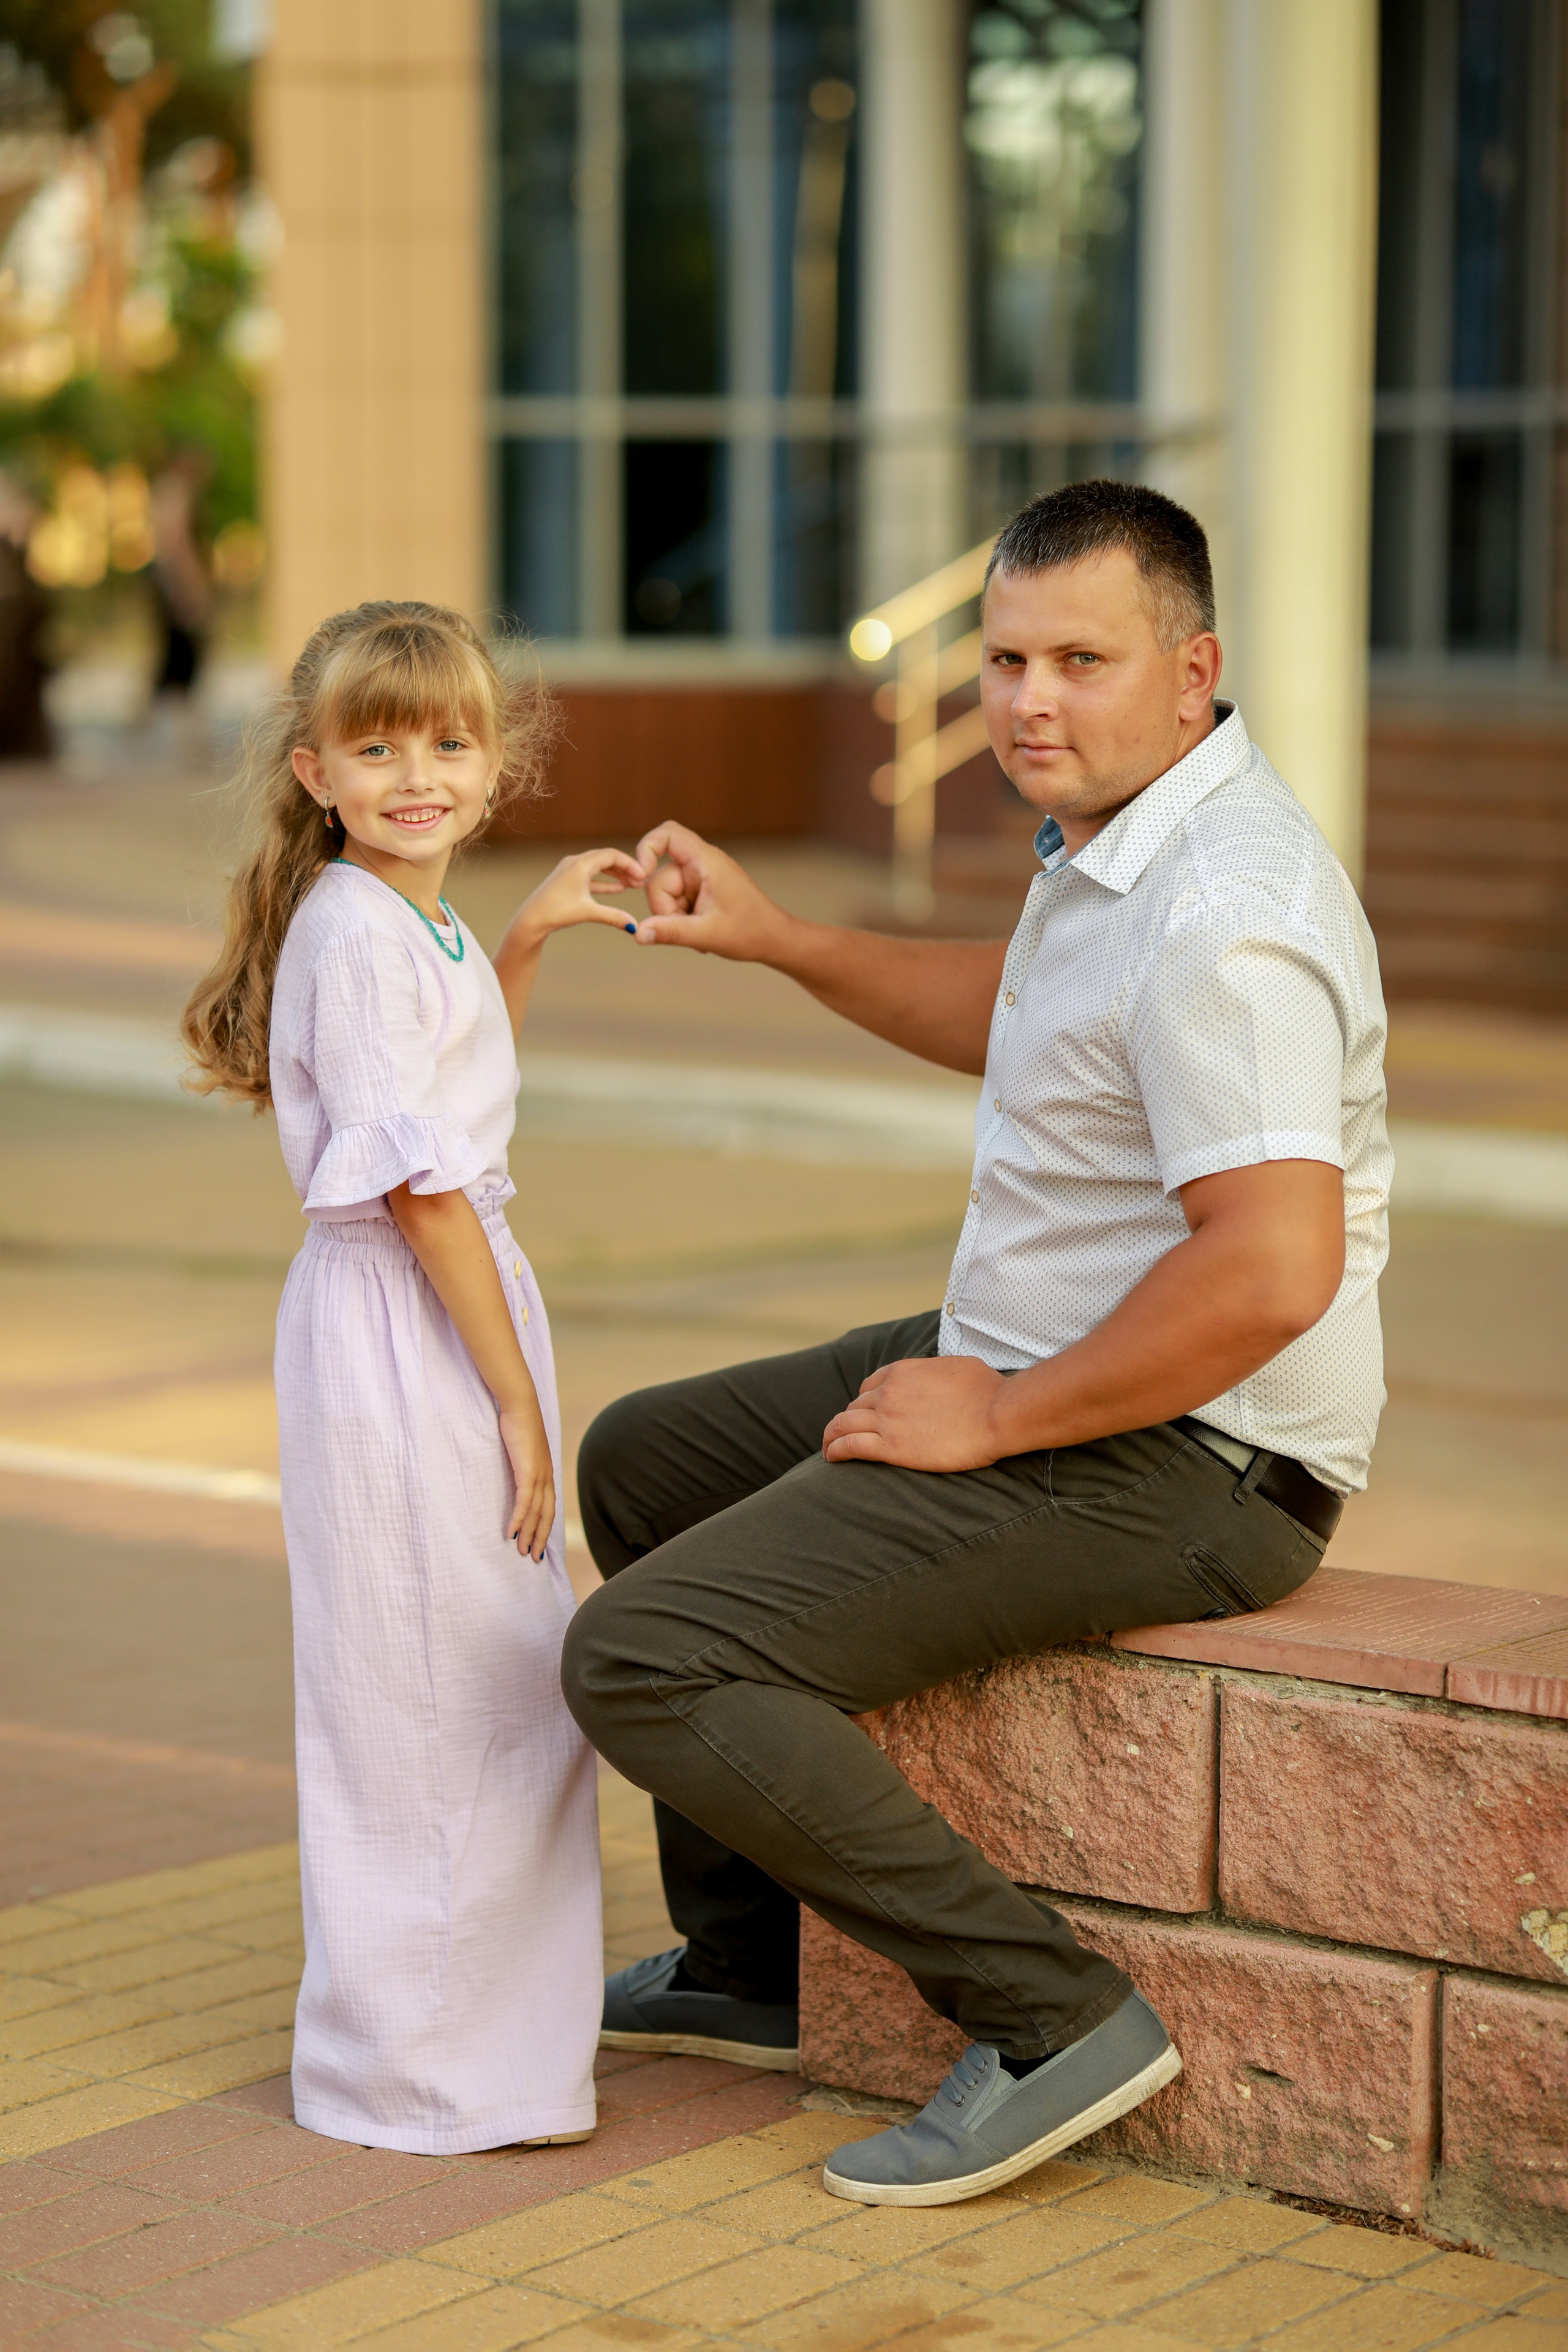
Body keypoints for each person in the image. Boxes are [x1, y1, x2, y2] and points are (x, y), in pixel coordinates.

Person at [563, 480, 1392, 2207]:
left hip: (1196, 1454)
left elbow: (1270, 1272)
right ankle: (751, 1968)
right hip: (1043, 1354)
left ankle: (1051, 2016)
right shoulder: (1121, 836)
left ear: (1192, 670)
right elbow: (1021, 1017)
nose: (1027, 700)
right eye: (1006, 659)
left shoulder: (1225, 916)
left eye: (1081, 660)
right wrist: (779, 939)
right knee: (646, 1460)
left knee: (644, 1660)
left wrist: (998, 1414)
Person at [183, 601, 647, 2155]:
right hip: (408, 1318)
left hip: (446, 1304)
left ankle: (482, 2052)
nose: (417, 776)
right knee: (427, 1689)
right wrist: (512, 1398)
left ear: (497, 764)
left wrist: (524, 936)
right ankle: (416, 2074)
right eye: (376, 750)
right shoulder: (352, 929)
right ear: (315, 772)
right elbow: (415, 1186)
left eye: (449, 743)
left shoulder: (412, 922)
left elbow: (446, 1094)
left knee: (492, 1676)